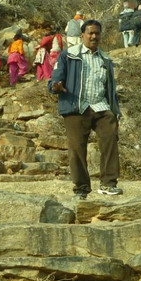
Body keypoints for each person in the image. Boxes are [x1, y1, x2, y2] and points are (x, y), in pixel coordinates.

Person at [49, 19, 123, 198]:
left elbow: (109, 87)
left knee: (110, 137)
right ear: (82, 35)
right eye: (90, 33)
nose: (94, 36)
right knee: (77, 148)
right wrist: (56, 86)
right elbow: (55, 79)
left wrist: (115, 109)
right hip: (77, 106)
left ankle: (108, 183)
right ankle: (81, 188)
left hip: (100, 106)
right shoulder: (68, 55)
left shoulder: (106, 59)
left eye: (97, 33)